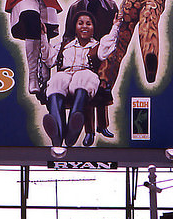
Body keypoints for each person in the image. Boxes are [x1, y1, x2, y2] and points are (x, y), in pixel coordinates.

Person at [41, 12, 119, 147]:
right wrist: (42, 36)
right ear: (75, 27)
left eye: (88, 24)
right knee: (57, 80)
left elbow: (109, 43)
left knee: (82, 77)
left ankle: (73, 128)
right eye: (80, 23)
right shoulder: (64, 46)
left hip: (85, 77)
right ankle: (57, 136)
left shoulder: (97, 46)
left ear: (93, 28)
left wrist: (116, 26)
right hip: (66, 75)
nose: (84, 26)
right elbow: (48, 59)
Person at [63, 0, 118, 146]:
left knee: (103, 89)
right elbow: (68, 33)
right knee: (85, 90)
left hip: (103, 52)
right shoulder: (76, 6)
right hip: (82, 53)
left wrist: (109, 54)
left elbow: (117, 31)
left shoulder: (110, 6)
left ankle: (103, 125)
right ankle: (89, 131)